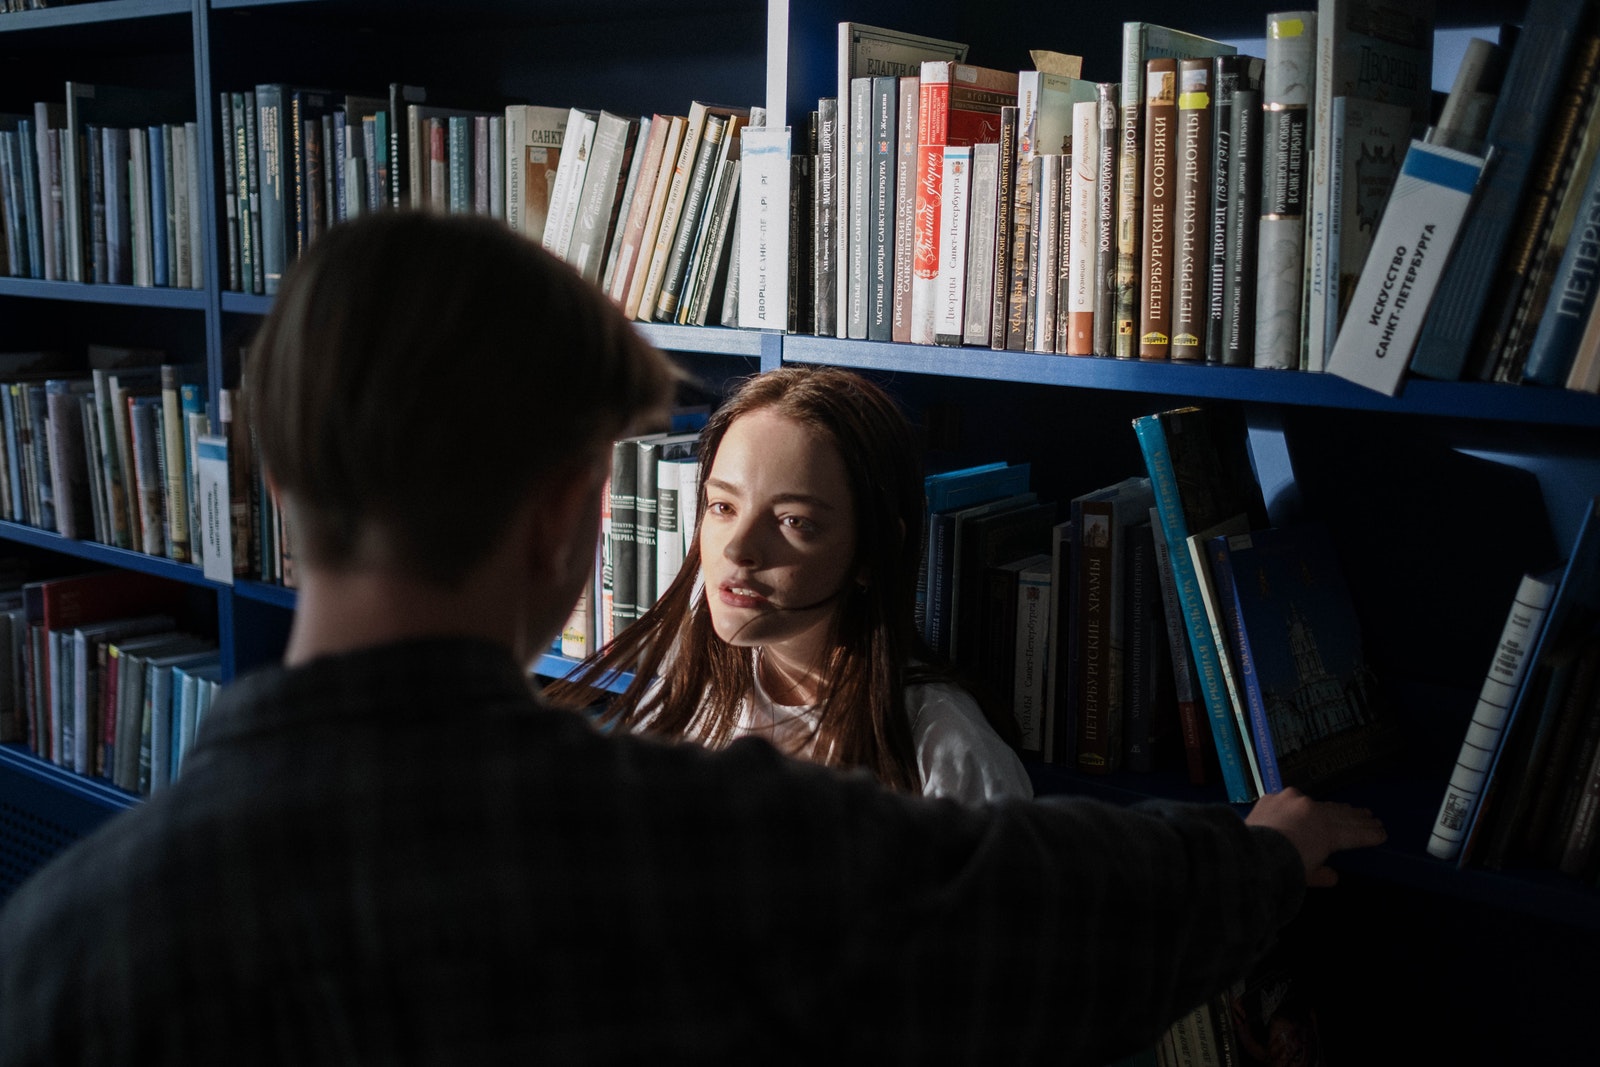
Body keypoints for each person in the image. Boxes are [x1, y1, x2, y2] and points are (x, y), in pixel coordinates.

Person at [0, 211, 1385, 1066]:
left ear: (272, 480)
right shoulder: (713, 846)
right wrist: (1269, 847)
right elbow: (1051, 908)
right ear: (571, 514)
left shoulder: (57, 948)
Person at [547, 365, 1033, 804]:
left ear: (873, 550)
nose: (737, 550)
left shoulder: (944, 751)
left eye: (793, 521)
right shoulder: (688, 701)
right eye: (723, 507)